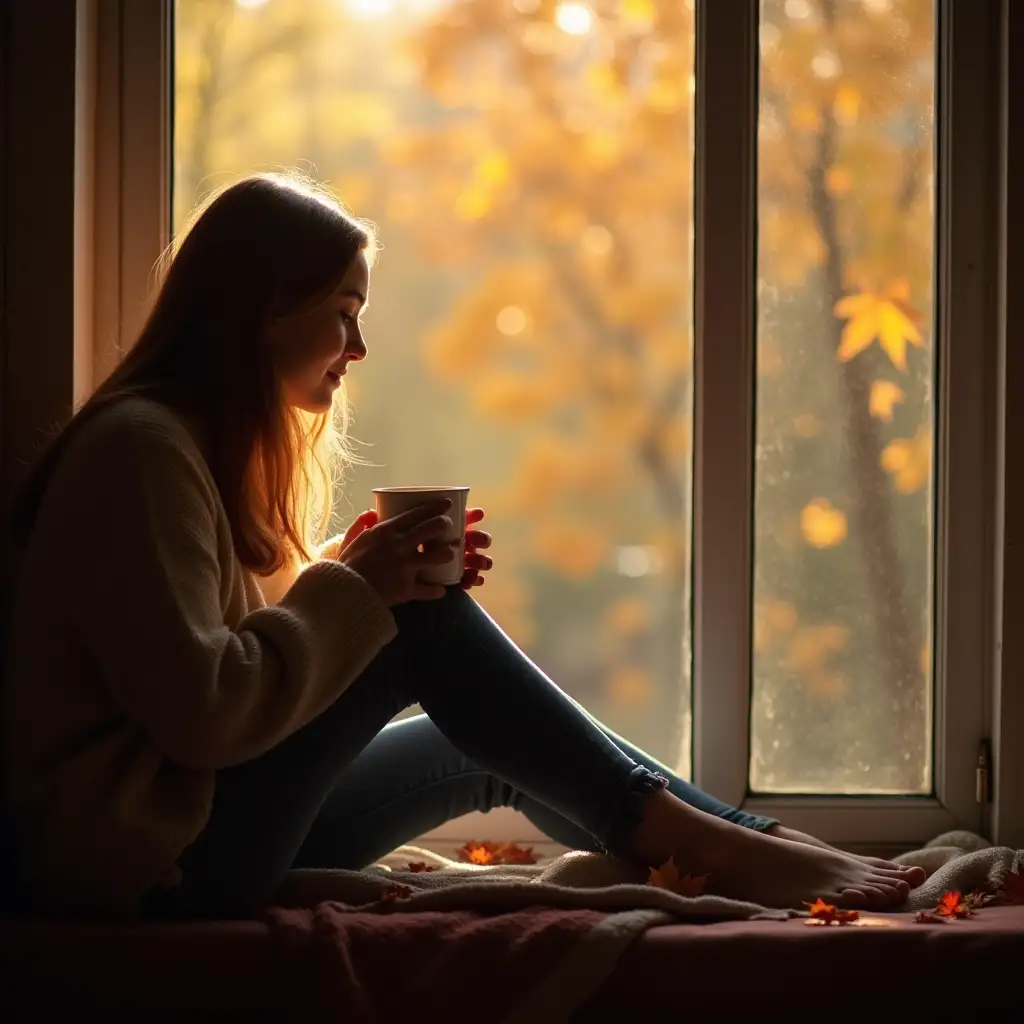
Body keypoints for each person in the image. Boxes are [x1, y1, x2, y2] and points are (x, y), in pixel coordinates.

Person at [1, 173, 925, 919]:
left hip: (197, 831)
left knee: (477, 738)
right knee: (428, 625)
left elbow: (222, 675)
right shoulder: (139, 451)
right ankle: (728, 844)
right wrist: (362, 598)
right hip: (151, 867)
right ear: (262, 310)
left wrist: (353, 577)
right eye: (342, 310)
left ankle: (738, 838)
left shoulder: (191, 450)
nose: (356, 346)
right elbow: (203, 713)